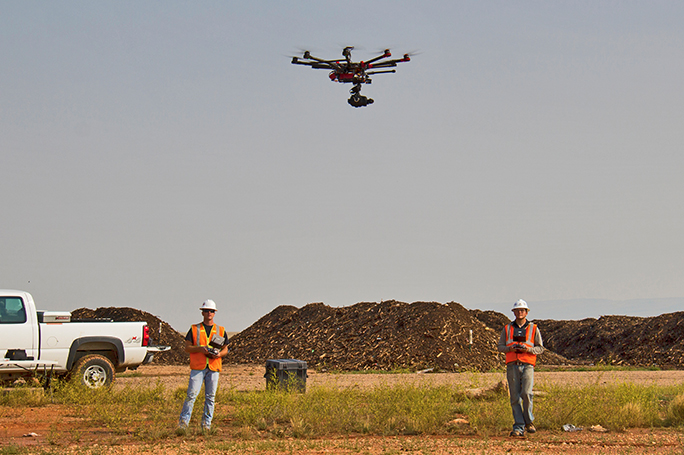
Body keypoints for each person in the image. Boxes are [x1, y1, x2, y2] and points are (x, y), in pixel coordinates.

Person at [178, 299, 229, 433]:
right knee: (191, 395)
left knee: (210, 398)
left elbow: (226, 349)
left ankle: (206, 425)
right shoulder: (194, 329)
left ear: (214, 313)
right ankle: (183, 424)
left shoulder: (220, 330)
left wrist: (218, 354)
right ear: (202, 312)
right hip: (198, 368)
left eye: (211, 311)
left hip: (213, 367)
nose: (209, 313)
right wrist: (200, 349)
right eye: (206, 311)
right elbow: (187, 348)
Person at [497, 299, 544, 437]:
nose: (520, 313)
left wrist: (528, 350)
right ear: (514, 312)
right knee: (515, 397)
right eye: (517, 311)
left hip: (528, 364)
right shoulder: (507, 328)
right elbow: (500, 347)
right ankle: (518, 426)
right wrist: (510, 348)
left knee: (527, 394)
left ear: (526, 312)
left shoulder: (534, 328)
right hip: (512, 365)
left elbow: (540, 348)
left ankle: (529, 421)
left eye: (522, 310)